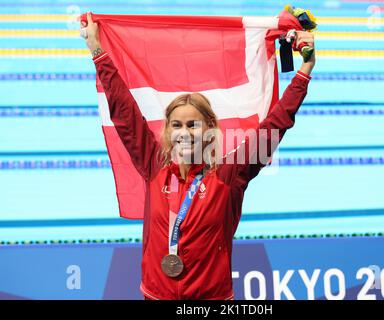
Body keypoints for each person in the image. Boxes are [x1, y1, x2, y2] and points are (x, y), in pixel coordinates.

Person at [81, 12, 315, 300]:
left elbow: (275, 125)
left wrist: (304, 70)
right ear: (167, 131)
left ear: (209, 129)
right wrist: (97, 51)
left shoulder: (230, 174)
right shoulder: (154, 167)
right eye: (177, 125)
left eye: (193, 124)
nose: (184, 133)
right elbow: (125, 113)